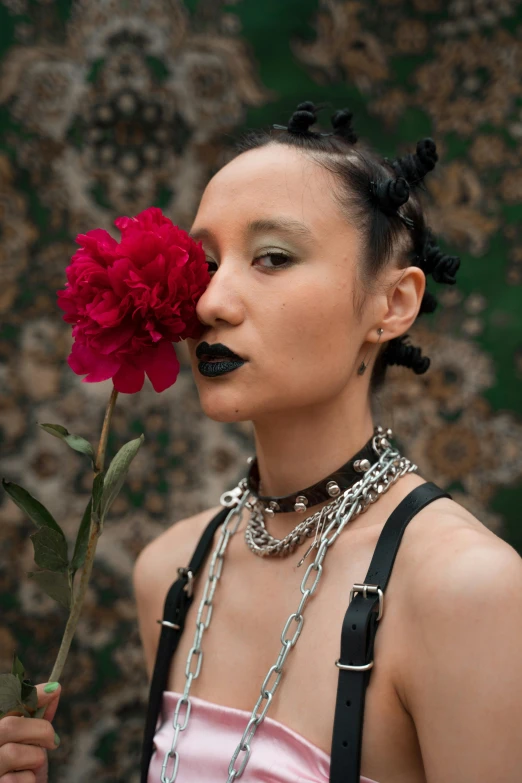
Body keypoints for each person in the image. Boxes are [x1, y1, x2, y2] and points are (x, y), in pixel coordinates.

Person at [2, 102, 521, 783]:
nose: (212, 302)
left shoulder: (464, 590)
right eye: (207, 263)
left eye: (272, 257)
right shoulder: (171, 572)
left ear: (393, 302)